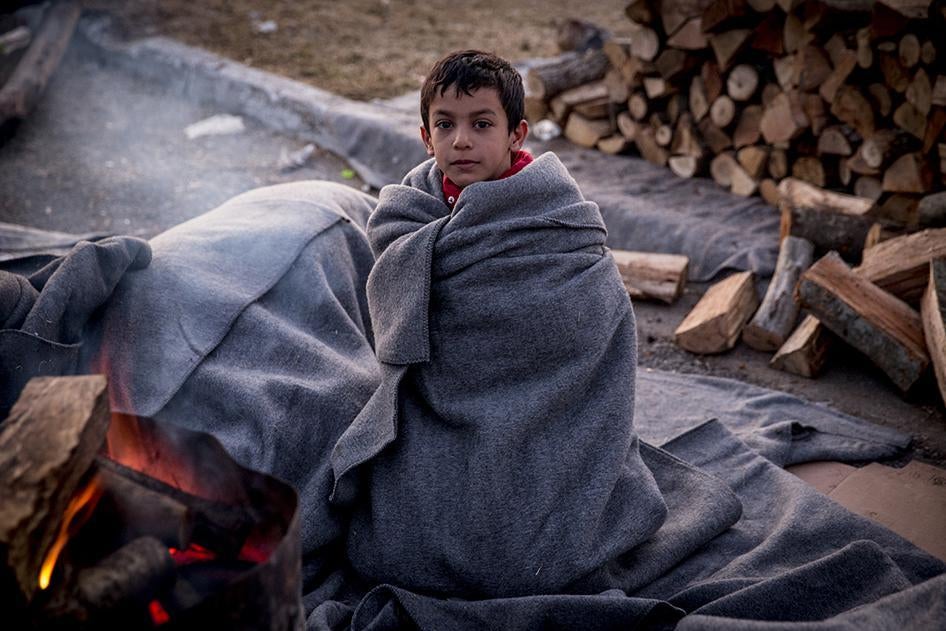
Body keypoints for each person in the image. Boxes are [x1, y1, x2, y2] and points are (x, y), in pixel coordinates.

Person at [330, 49, 668, 598]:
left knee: (526, 553)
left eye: (482, 124)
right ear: (425, 136)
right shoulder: (410, 216)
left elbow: (589, 332)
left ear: (516, 133)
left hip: (546, 426)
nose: (462, 140)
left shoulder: (554, 224)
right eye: (446, 124)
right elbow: (400, 346)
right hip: (440, 417)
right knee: (402, 542)